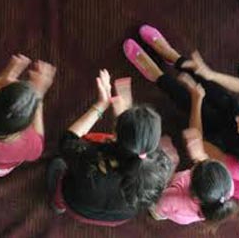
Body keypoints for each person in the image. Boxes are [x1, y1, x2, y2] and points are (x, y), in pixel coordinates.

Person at [124, 25, 239, 201]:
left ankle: (158, 76)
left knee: (202, 113)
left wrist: (197, 100)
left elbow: (198, 140)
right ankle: (173, 56)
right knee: (224, 98)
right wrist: (211, 75)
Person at [47, 70, 173, 225]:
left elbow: (67, 141)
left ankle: (58, 205)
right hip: (118, 219)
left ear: (115, 133)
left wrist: (101, 104)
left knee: (58, 165)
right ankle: (58, 205)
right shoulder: (161, 168)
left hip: (76, 205)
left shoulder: (90, 155)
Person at [150, 79, 239, 225]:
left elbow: (159, 205)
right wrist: (201, 156)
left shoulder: (172, 198)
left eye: (199, 163)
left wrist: (170, 169)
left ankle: (159, 214)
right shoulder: (226, 189)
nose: (201, 159)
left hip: (168, 203)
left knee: (156, 206)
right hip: (190, 203)